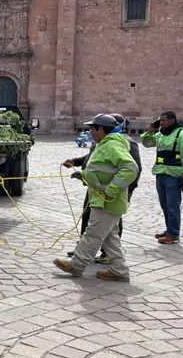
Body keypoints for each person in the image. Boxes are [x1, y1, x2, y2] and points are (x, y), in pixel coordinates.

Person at [54, 114, 138, 281]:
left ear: (101, 129)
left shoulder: (112, 145)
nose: (89, 131)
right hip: (103, 199)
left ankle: (76, 265)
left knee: (92, 233)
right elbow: (100, 169)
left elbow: (130, 168)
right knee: (109, 238)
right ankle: (119, 271)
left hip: (108, 200)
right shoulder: (105, 144)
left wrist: (111, 189)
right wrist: (83, 175)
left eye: (92, 128)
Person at [141, 111, 183, 244]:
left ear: (172, 120)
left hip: (174, 174)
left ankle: (173, 234)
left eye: (163, 120)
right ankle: (169, 229)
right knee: (164, 204)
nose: (161, 123)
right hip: (160, 173)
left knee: (173, 206)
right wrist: (150, 130)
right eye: (160, 120)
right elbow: (146, 143)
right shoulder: (160, 135)